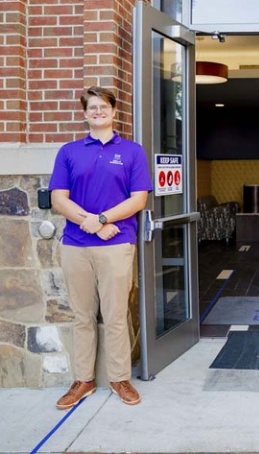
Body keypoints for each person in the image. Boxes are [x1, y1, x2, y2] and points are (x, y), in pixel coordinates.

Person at [49, 86, 153, 409]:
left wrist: (105, 218)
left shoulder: (133, 152)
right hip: (76, 246)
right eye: (92, 108)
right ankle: (84, 380)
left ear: (113, 112)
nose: (98, 112)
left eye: (103, 107)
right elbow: (57, 200)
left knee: (115, 315)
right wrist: (91, 223)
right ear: (84, 114)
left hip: (117, 244)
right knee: (82, 316)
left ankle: (119, 379)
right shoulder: (69, 152)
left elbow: (139, 199)